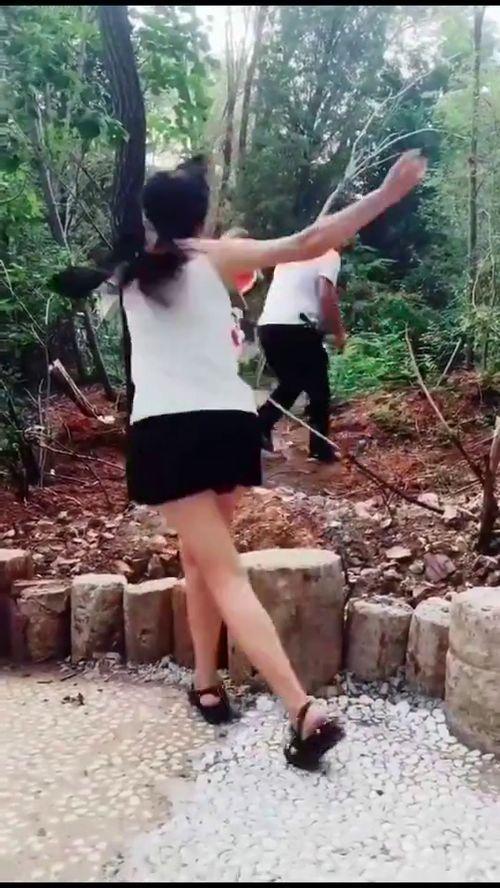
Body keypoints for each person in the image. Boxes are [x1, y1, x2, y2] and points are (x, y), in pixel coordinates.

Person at [56, 150, 426, 770]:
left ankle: (302, 710)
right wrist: (387, 193)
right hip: (228, 425)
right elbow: (310, 241)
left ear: (151, 219)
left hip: (169, 430)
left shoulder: (130, 272)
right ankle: (206, 682)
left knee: (222, 570)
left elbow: (73, 281)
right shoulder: (212, 256)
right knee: (202, 560)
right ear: (201, 218)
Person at [257, 242, 348, 462]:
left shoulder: (290, 255)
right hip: (296, 327)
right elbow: (326, 296)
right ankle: (320, 449)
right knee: (319, 390)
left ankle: (259, 427)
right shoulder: (329, 253)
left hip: (267, 327)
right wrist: (338, 332)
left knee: (292, 383)